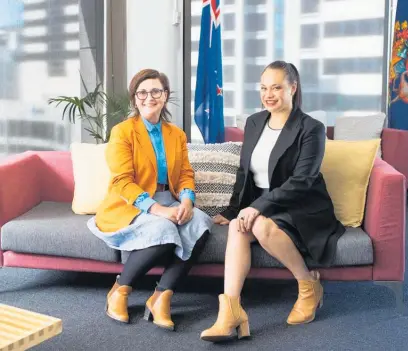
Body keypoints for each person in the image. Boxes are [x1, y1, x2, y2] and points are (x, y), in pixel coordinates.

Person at [200, 61, 345, 342]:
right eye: (264, 88)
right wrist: (234, 210)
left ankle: (308, 285)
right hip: (265, 202)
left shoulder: (311, 128)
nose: (269, 94)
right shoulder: (255, 122)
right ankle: (230, 311)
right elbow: (244, 173)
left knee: (261, 226)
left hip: (302, 205)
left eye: (276, 87)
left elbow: (302, 181)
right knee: (237, 227)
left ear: (292, 87)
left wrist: (257, 208)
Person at [87, 69, 212, 331]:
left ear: (165, 96)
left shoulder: (176, 134)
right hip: (131, 203)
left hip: (170, 197)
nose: (149, 97)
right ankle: (119, 291)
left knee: (200, 222)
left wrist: (187, 201)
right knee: (164, 227)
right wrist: (156, 209)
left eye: (156, 91)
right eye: (142, 92)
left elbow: (186, 174)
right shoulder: (122, 132)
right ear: (135, 98)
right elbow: (122, 181)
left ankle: (162, 296)